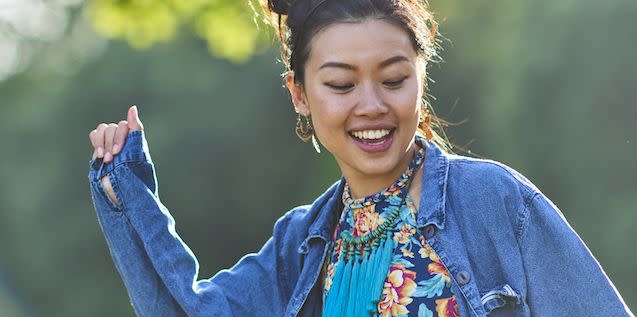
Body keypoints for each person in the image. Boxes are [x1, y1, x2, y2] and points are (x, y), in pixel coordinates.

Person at [86, 0, 634, 316]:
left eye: (394, 79)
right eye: (341, 85)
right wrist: (126, 193)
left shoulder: (495, 203)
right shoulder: (299, 247)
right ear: (300, 94)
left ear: (421, 78)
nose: (371, 106)